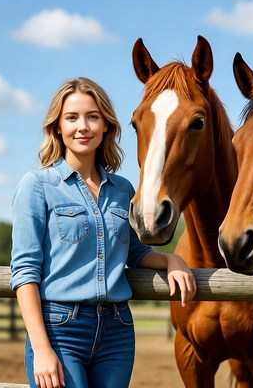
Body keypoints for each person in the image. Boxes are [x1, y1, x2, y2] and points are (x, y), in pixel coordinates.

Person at [10, 77, 196, 388]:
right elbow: (25, 272)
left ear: (106, 125)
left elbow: (134, 253)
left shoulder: (123, 190)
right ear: (57, 127)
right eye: (71, 118)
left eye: (92, 117)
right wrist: (41, 349)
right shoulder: (37, 185)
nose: (82, 126)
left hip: (117, 331)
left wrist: (172, 260)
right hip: (59, 330)